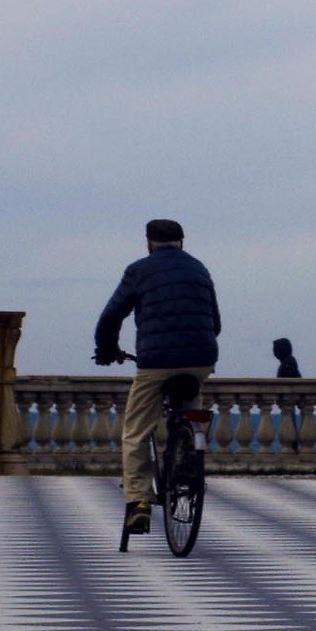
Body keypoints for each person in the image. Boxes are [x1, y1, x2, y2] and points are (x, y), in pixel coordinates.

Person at [93, 218, 220, 535]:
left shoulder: (139, 270)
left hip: (157, 361)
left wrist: (107, 349)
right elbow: (215, 322)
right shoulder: (199, 269)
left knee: (135, 430)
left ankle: (138, 503)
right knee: (192, 412)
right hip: (201, 357)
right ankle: (189, 459)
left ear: (148, 242)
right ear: (182, 242)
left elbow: (112, 316)